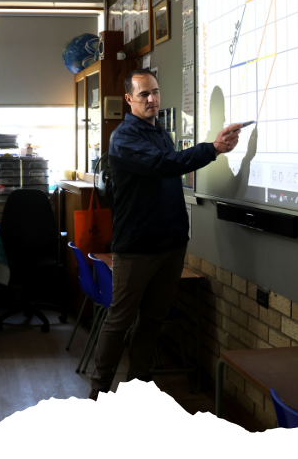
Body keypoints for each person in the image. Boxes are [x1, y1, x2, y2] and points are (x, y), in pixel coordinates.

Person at [88, 69, 242, 401]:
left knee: (153, 318)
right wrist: (213, 149)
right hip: (137, 247)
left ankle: (139, 381)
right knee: (120, 319)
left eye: (155, 92)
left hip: (171, 245)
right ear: (129, 99)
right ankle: (100, 388)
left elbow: (169, 166)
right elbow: (164, 164)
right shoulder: (124, 138)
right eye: (144, 94)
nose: (152, 99)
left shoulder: (159, 133)